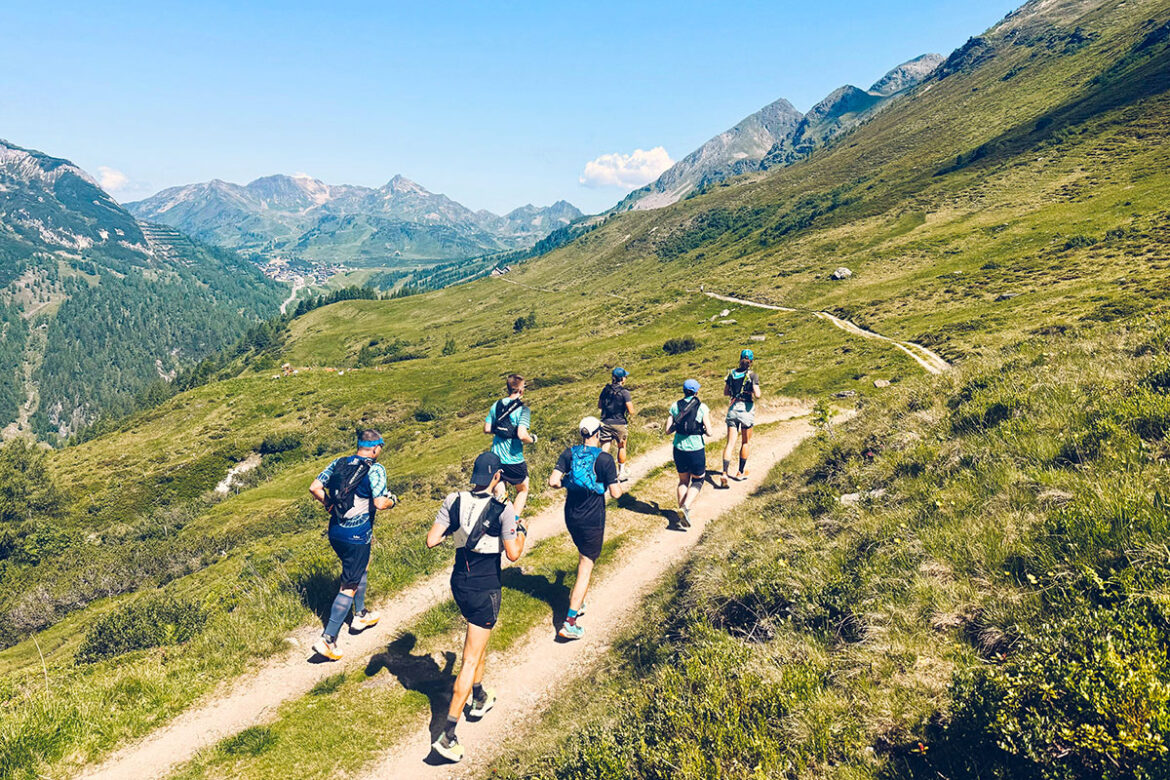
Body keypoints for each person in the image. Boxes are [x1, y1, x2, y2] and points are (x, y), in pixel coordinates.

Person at [426, 451, 528, 763]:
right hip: (486, 587)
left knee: (476, 640)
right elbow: (513, 554)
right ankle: (448, 734)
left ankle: (479, 696)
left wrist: (462, 531)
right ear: (497, 477)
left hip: (460, 582)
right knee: (469, 659)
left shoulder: (453, 499)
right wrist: (521, 530)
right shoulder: (504, 510)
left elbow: (432, 540)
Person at [309, 429, 398, 661]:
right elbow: (379, 503)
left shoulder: (339, 462)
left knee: (360, 568)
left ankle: (360, 615)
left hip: (335, 530)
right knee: (348, 584)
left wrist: (329, 505)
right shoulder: (376, 469)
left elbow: (314, 487)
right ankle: (327, 639)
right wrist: (393, 501)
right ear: (376, 448)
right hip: (357, 533)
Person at [548, 416, 622, 640]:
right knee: (586, 566)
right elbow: (616, 493)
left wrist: (571, 483)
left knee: (582, 556)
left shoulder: (569, 453)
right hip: (592, 519)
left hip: (571, 515)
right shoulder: (605, 460)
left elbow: (553, 481)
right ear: (598, 434)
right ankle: (569, 622)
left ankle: (577, 603)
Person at [483, 373, 536, 522]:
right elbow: (522, 435)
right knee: (523, 488)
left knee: (500, 492)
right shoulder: (523, 410)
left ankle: (501, 521)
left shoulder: (497, 405)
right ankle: (513, 520)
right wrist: (532, 439)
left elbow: (487, 429)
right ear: (520, 390)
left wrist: (501, 430)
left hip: (495, 457)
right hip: (513, 459)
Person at [665, 380, 711, 529]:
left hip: (678, 447)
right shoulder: (702, 407)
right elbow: (710, 432)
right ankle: (685, 506)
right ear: (696, 392)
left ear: (684, 391)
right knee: (698, 480)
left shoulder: (674, 406)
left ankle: (682, 512)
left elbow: (667, 430)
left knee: (683, 481)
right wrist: (703, 429)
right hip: (696, 448)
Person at [721, 349, 763, 488]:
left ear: (739, 359)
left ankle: (724, 473)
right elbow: (757, 394)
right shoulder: (753, 375)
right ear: (751, 361)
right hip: (746, 410)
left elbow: (726, 392)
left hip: (733, 409)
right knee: (745, 442)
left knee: (730, 443)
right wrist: (751, 389)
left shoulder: (731, 374)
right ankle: (740, 472)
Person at [597, 367, 634, 481]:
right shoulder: (624, 392)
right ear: (622, 379)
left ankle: (601, 473)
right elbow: (631, 411)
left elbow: (599, 405)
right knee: (621, 446)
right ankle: (621, 473)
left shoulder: (605, 390)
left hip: (605, 422)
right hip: (620, 423)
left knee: (605, 447)